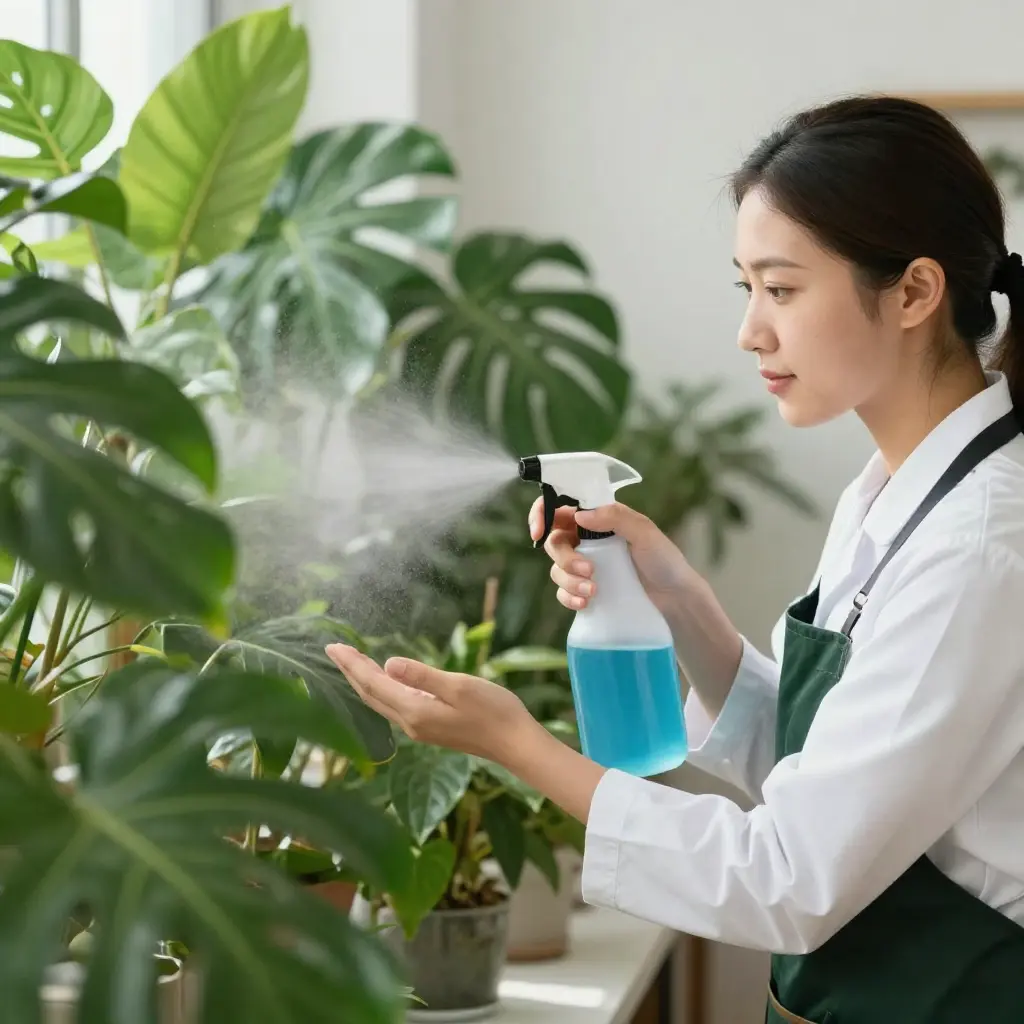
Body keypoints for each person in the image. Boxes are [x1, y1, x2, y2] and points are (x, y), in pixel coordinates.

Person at [326, 95, 1024, 1023]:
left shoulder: (981, 546)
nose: (752, 332)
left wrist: (514, 744)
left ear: (914, 292)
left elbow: (790, 876)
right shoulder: (899, 492)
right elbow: (825, 769)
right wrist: (679, 600)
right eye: (748, 290)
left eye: (781, 289)